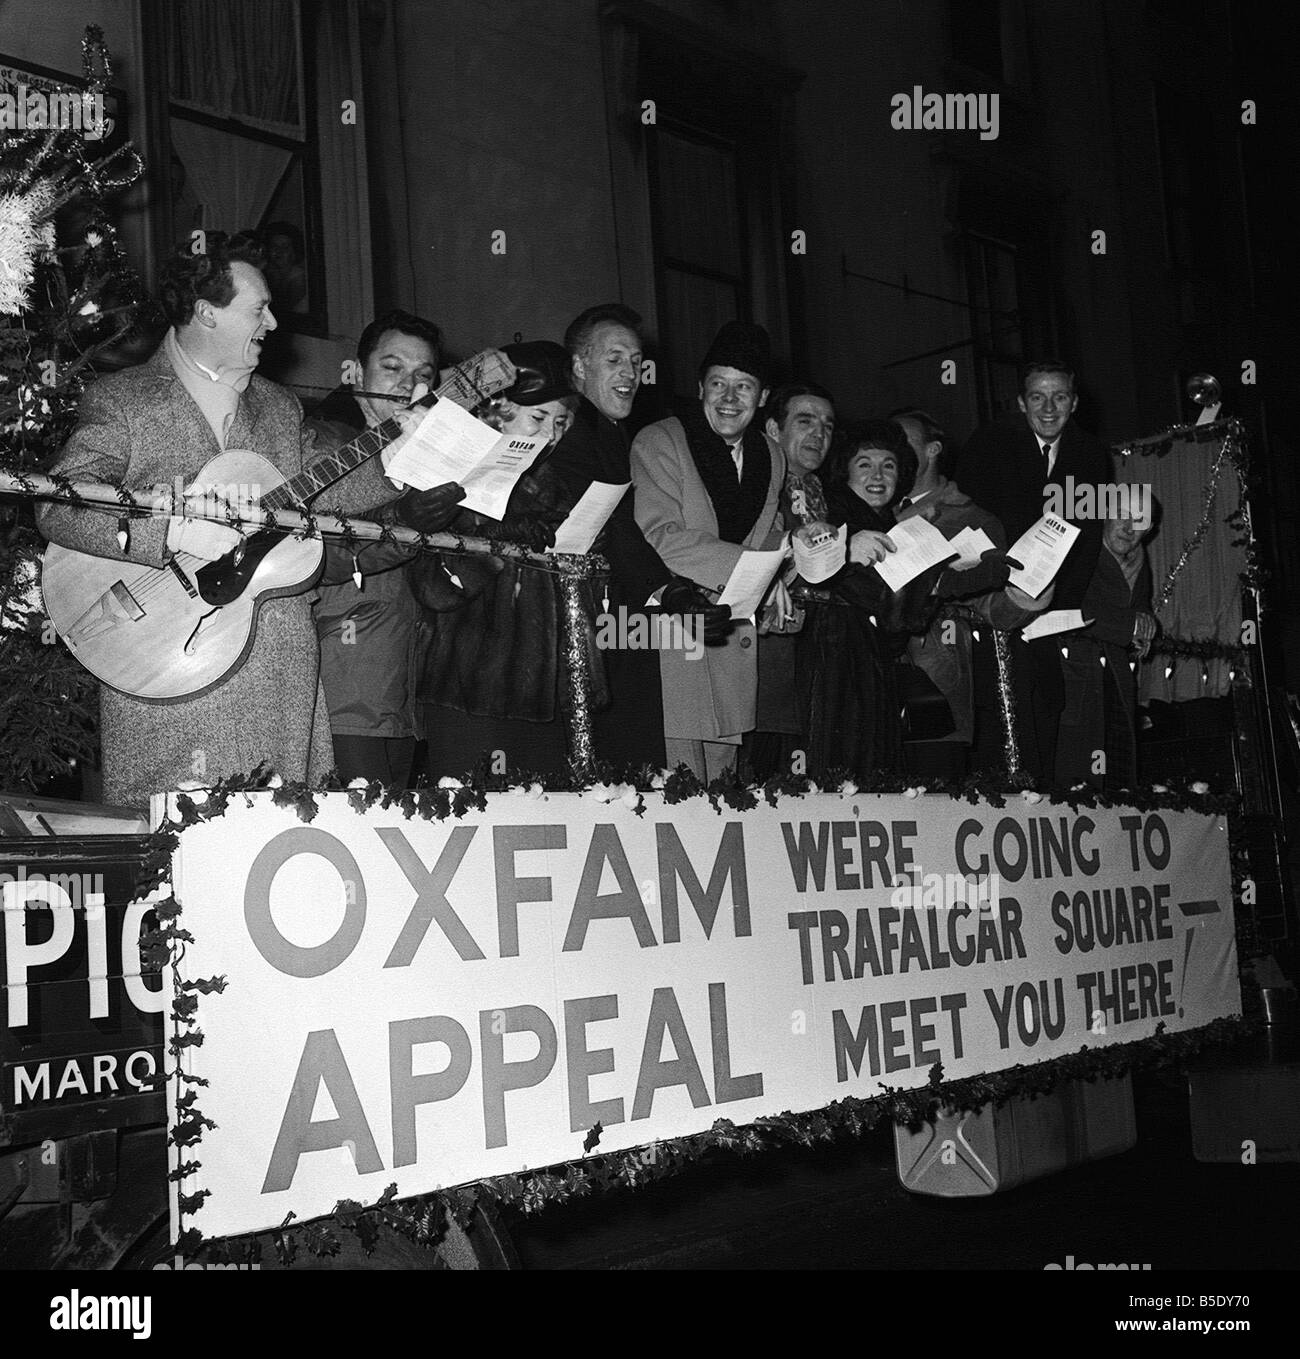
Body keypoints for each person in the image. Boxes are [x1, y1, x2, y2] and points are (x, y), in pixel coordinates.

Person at [36, 234, 429, 806]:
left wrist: (402, 453)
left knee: (284, 848)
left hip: (277, 663)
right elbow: (60, 503)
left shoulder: (278, 405)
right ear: (206, 313)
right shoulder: (124, 400)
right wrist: (166, 530)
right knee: (177, 856)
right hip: (161, 660)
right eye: (258, 308)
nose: (273, 322)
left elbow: (327, 489)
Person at [547, 303, 728, 770]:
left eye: (634, 361)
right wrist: (668, 589)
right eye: (614, 359)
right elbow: (610, 522)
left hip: (619, 620)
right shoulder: (571, 429)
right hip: (590, 622)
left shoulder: (611, 432)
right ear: (578, 366)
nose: (629, 372)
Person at [409, 341, 583, 778]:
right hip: (470, 690)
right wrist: (493, 545)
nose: (552, 434)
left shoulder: (557, 491)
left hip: (543, 695)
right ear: (497, 412)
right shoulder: (452, 479)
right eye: (539, 418)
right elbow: (434, 590)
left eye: (562, 421)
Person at [308, 309, 466, 788]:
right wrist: (405, 522)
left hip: (403, 684)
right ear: (355, 372)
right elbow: (317, 552)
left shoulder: (425, 445)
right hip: (345, 684)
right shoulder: (324, 441)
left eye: (423, 375)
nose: (407, 387)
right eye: (392, 368)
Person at [631, 321, 786, 781]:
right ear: (700, 388)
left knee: (725, 779)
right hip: (674, 627)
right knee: (678, 775)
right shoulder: (660, 440)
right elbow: (659, 532)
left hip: (733, 634)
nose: (729, 398)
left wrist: (783, 567)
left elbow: (769, 529)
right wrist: (759, 570)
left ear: (762, 398)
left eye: (744, 387)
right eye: (718, 384)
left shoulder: (771, 456)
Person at [953, 361, 1113, 781]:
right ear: (1022, 403)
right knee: (998, 707)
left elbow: (1087, 537)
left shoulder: (1092, 456)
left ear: (1074, 403)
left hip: (1050, 609)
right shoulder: (990, 442)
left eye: (1059, 396)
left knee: (1045, 702)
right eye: (1038, 397)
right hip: (992, 601)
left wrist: (1062, 610)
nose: (1048, 407)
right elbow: (966, 517)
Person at [890, 408, 1051, 779]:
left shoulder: (970, 519)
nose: (893, 454)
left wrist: (1025, 600)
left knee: (933, 807)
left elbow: (991, 607)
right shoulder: (869, 510)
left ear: (933, 450)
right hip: (866, 689)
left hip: (933, 691)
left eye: (904, 444)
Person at [744, 381, 836, 780]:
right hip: (764, 660)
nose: (819, 433)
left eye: (828, 425)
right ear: (773, 430)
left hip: (816, 657)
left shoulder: (826, 492)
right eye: (805, 421)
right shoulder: (750, 484)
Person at [1055, 503, 1158, 790]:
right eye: (1122, 516)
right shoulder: (1079, 548)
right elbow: (1067, 603)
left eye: (1140, 522)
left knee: (1116, 770)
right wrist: (1130, 626)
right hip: (1073, 669)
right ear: (1104, 516)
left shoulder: (1138, 560)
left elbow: (1139, 609)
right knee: (1075, 772)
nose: (1129, 528)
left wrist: (1144, 625)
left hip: (1114, 674)